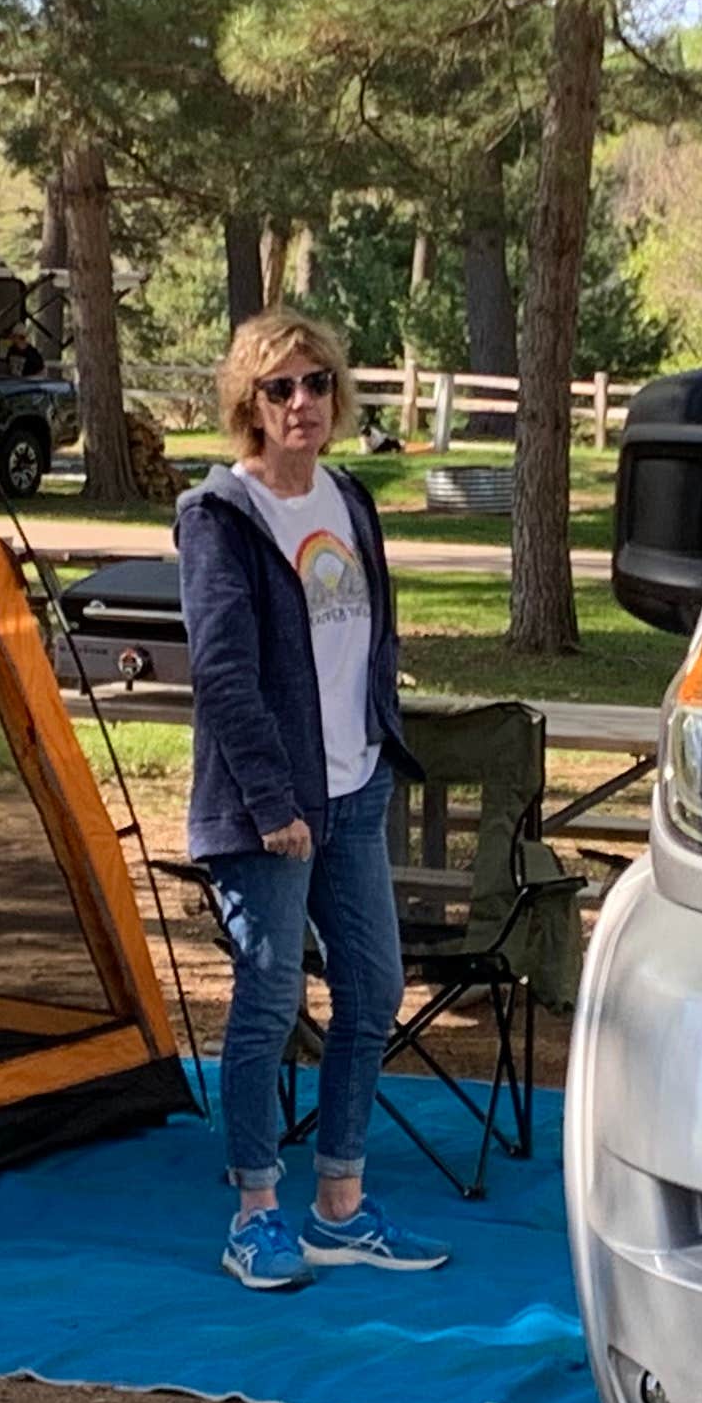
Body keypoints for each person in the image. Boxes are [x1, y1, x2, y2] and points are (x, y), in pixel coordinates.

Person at [175, 310, 452, 1290]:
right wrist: (271, 797)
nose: (302, 403)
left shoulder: (350, 497)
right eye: (279, 388)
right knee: (269, 1000)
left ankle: (340, 1206)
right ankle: (255, 1212)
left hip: (355, 786)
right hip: (270, 809)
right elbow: (223, 673)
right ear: (249, 406)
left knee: (373, 988)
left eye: (317, 384)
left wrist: (376, 731)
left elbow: (369, 633)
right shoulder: (221, 517)